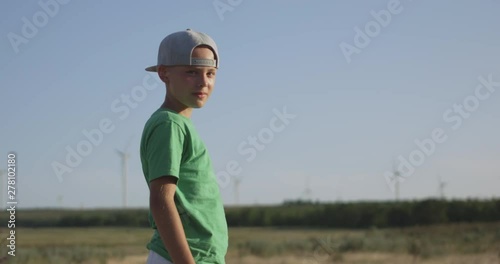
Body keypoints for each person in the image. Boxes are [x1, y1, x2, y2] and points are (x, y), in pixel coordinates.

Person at [140, 29, 228, 264]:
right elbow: (161, 201)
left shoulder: (179, 124)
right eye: (191, 72)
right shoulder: (169, 124)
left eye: (211, 73)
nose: (203, 82)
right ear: (163, 73)